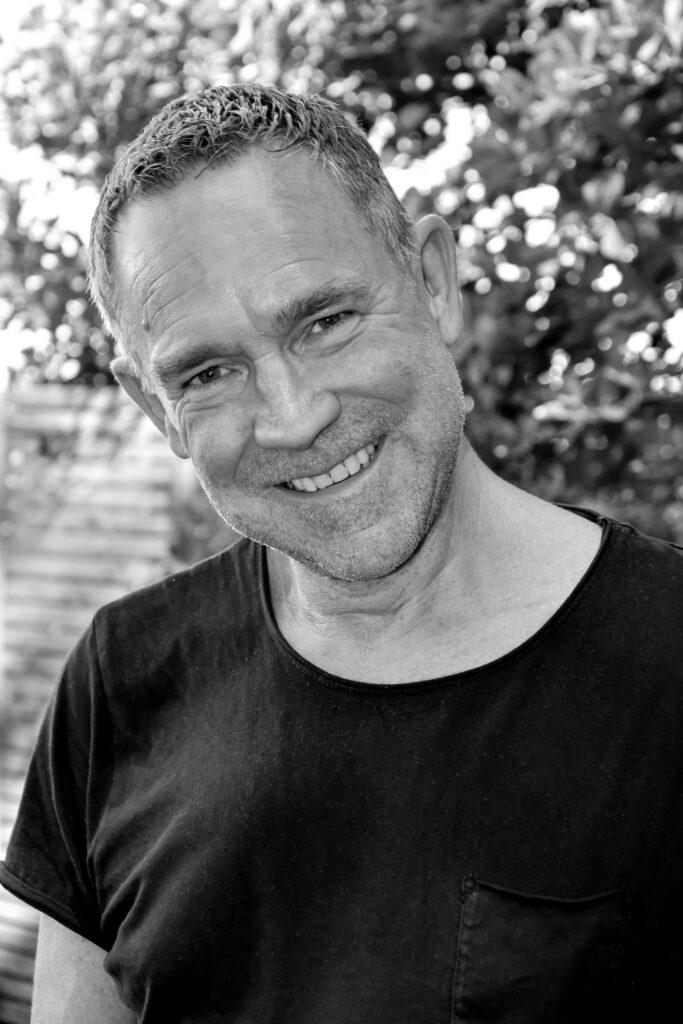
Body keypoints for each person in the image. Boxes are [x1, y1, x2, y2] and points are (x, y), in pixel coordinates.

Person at [1, 84, 681, 1024]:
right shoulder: (121, 677)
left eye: (324, 322)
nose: (293, 417)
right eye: (208, 373)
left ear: (433, 281)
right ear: (156, 408)